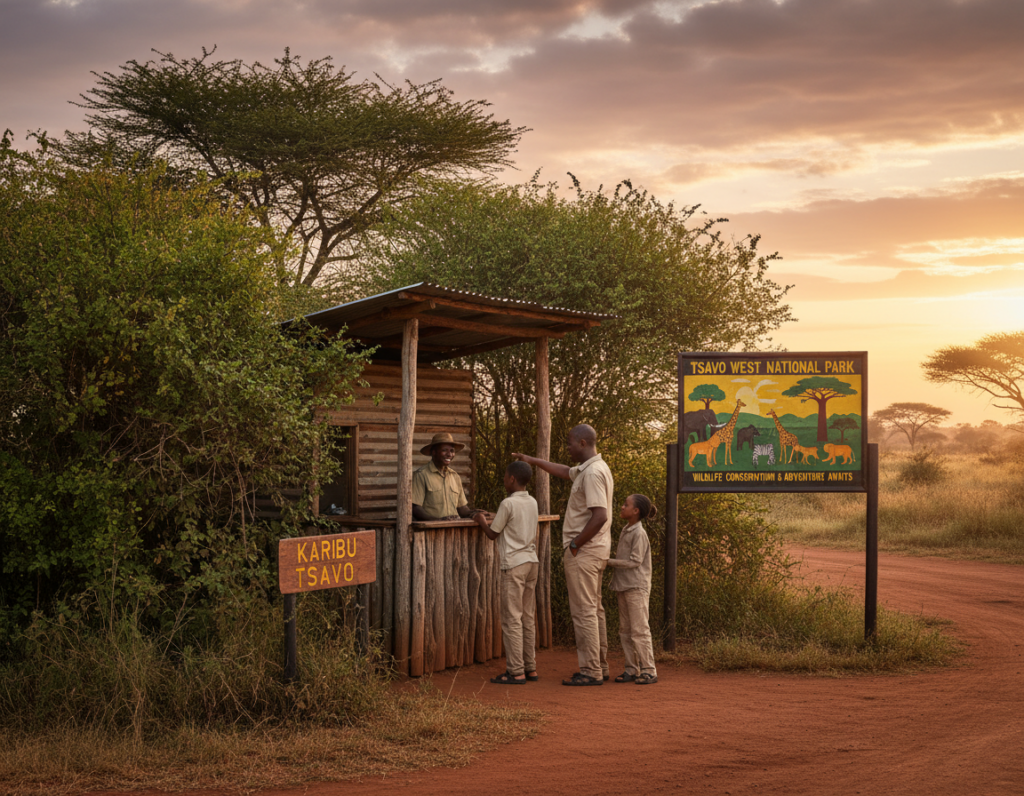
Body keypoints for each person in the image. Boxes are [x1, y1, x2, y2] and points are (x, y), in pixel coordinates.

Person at [513, 424, 612, 686]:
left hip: (586, 552)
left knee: (584, 612)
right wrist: (532, 460)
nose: (566, 447)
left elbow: (600, 515)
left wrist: (576, 544)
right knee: (594, 609)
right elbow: (563, 471)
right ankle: (599, 666)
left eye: (569, 443)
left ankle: (591, 671)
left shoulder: (591, 474)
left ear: (582, 443)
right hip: (596, 550)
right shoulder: (590, 469)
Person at [474, 461, 540, 684]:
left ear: (512, 479)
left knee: (512, 618)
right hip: (532, 562)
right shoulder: (532, 501)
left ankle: (516, 671)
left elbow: (493, 534)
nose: (504, 480)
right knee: (527, 617)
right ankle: (530, 668)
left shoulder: (508, 503)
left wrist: (481, 520)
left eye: (504, 476)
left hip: (514, 564)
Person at [607, 494, 658, 685]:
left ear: (636, 511)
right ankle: (631, 668)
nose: (622, 507)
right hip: (624, 585)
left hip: (636, 587)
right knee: (625, 630)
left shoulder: (639, 533)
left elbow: (636, 561)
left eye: (625, 504)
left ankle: (649, 670)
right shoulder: (626, 529)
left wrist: (608, 562)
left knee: (639, 630)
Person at [412, 432, 479, 521]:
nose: (449, 454)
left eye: (452, 451)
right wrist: (437, 521)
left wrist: (474, 513)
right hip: (430, 531)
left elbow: (461, 508)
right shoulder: (421, 475)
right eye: (444, 450)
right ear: (434, 452)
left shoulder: (455, 476)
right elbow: (415, 508)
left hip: (453, 529)